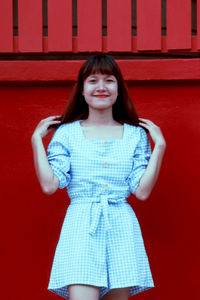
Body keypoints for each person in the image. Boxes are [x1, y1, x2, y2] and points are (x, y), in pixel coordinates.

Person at [31, 54, 166, 300]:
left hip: (121, 225)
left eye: (109, 80)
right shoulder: (66, 134)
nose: (101, 87)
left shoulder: (136, 136)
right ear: (82, 90)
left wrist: (159, 146)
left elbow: (142, 191)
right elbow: (50, 185)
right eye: (93, 80)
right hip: (82, 224)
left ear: (118, 89)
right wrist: (36, 141)